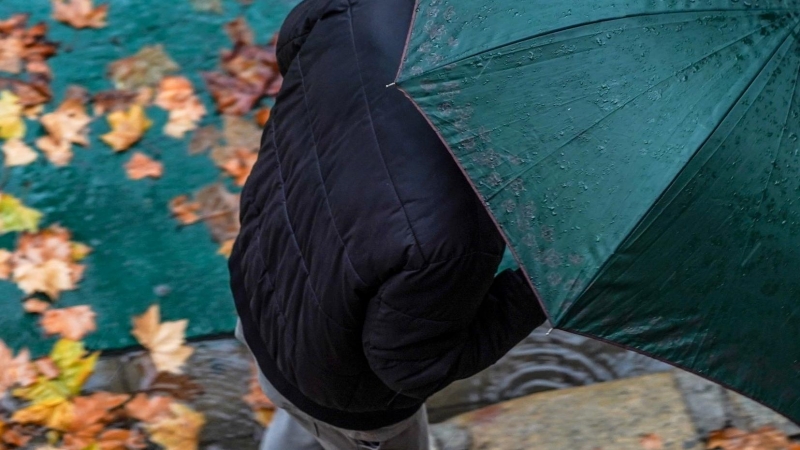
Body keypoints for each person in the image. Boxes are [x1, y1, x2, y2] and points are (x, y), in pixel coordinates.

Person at [228, 0, 547, 448]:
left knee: (293, 406)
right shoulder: (455, 233)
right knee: (320, 416)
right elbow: (412, 365)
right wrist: (537, 291)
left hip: (264, 277)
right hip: (340, 391)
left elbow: (296, 36)